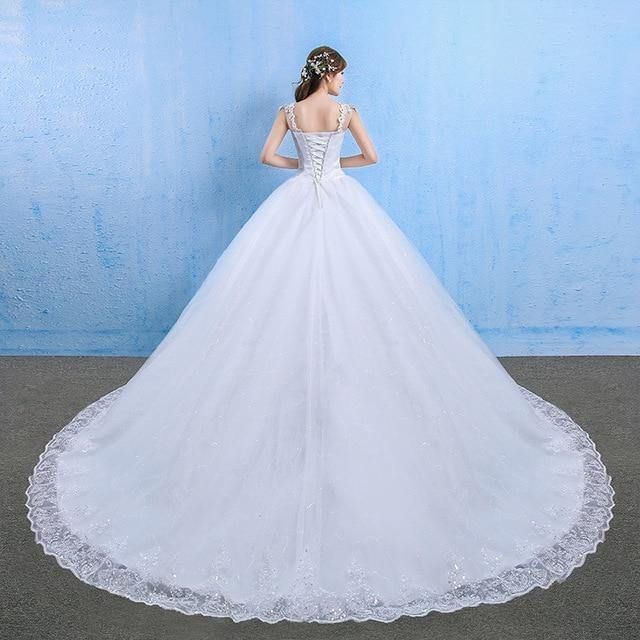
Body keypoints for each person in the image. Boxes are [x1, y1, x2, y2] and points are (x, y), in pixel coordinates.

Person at [26, 45, 615, 624]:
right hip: (341, 201)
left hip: (294, 203)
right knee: (368, 292)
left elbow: (267, 158)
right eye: (341, 73)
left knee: (267, 295)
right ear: (328, 72)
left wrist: (304, 170)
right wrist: (334, 170)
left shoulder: (289, 113)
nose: (343, 82)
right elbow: (372, 158)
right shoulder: (344, 112)